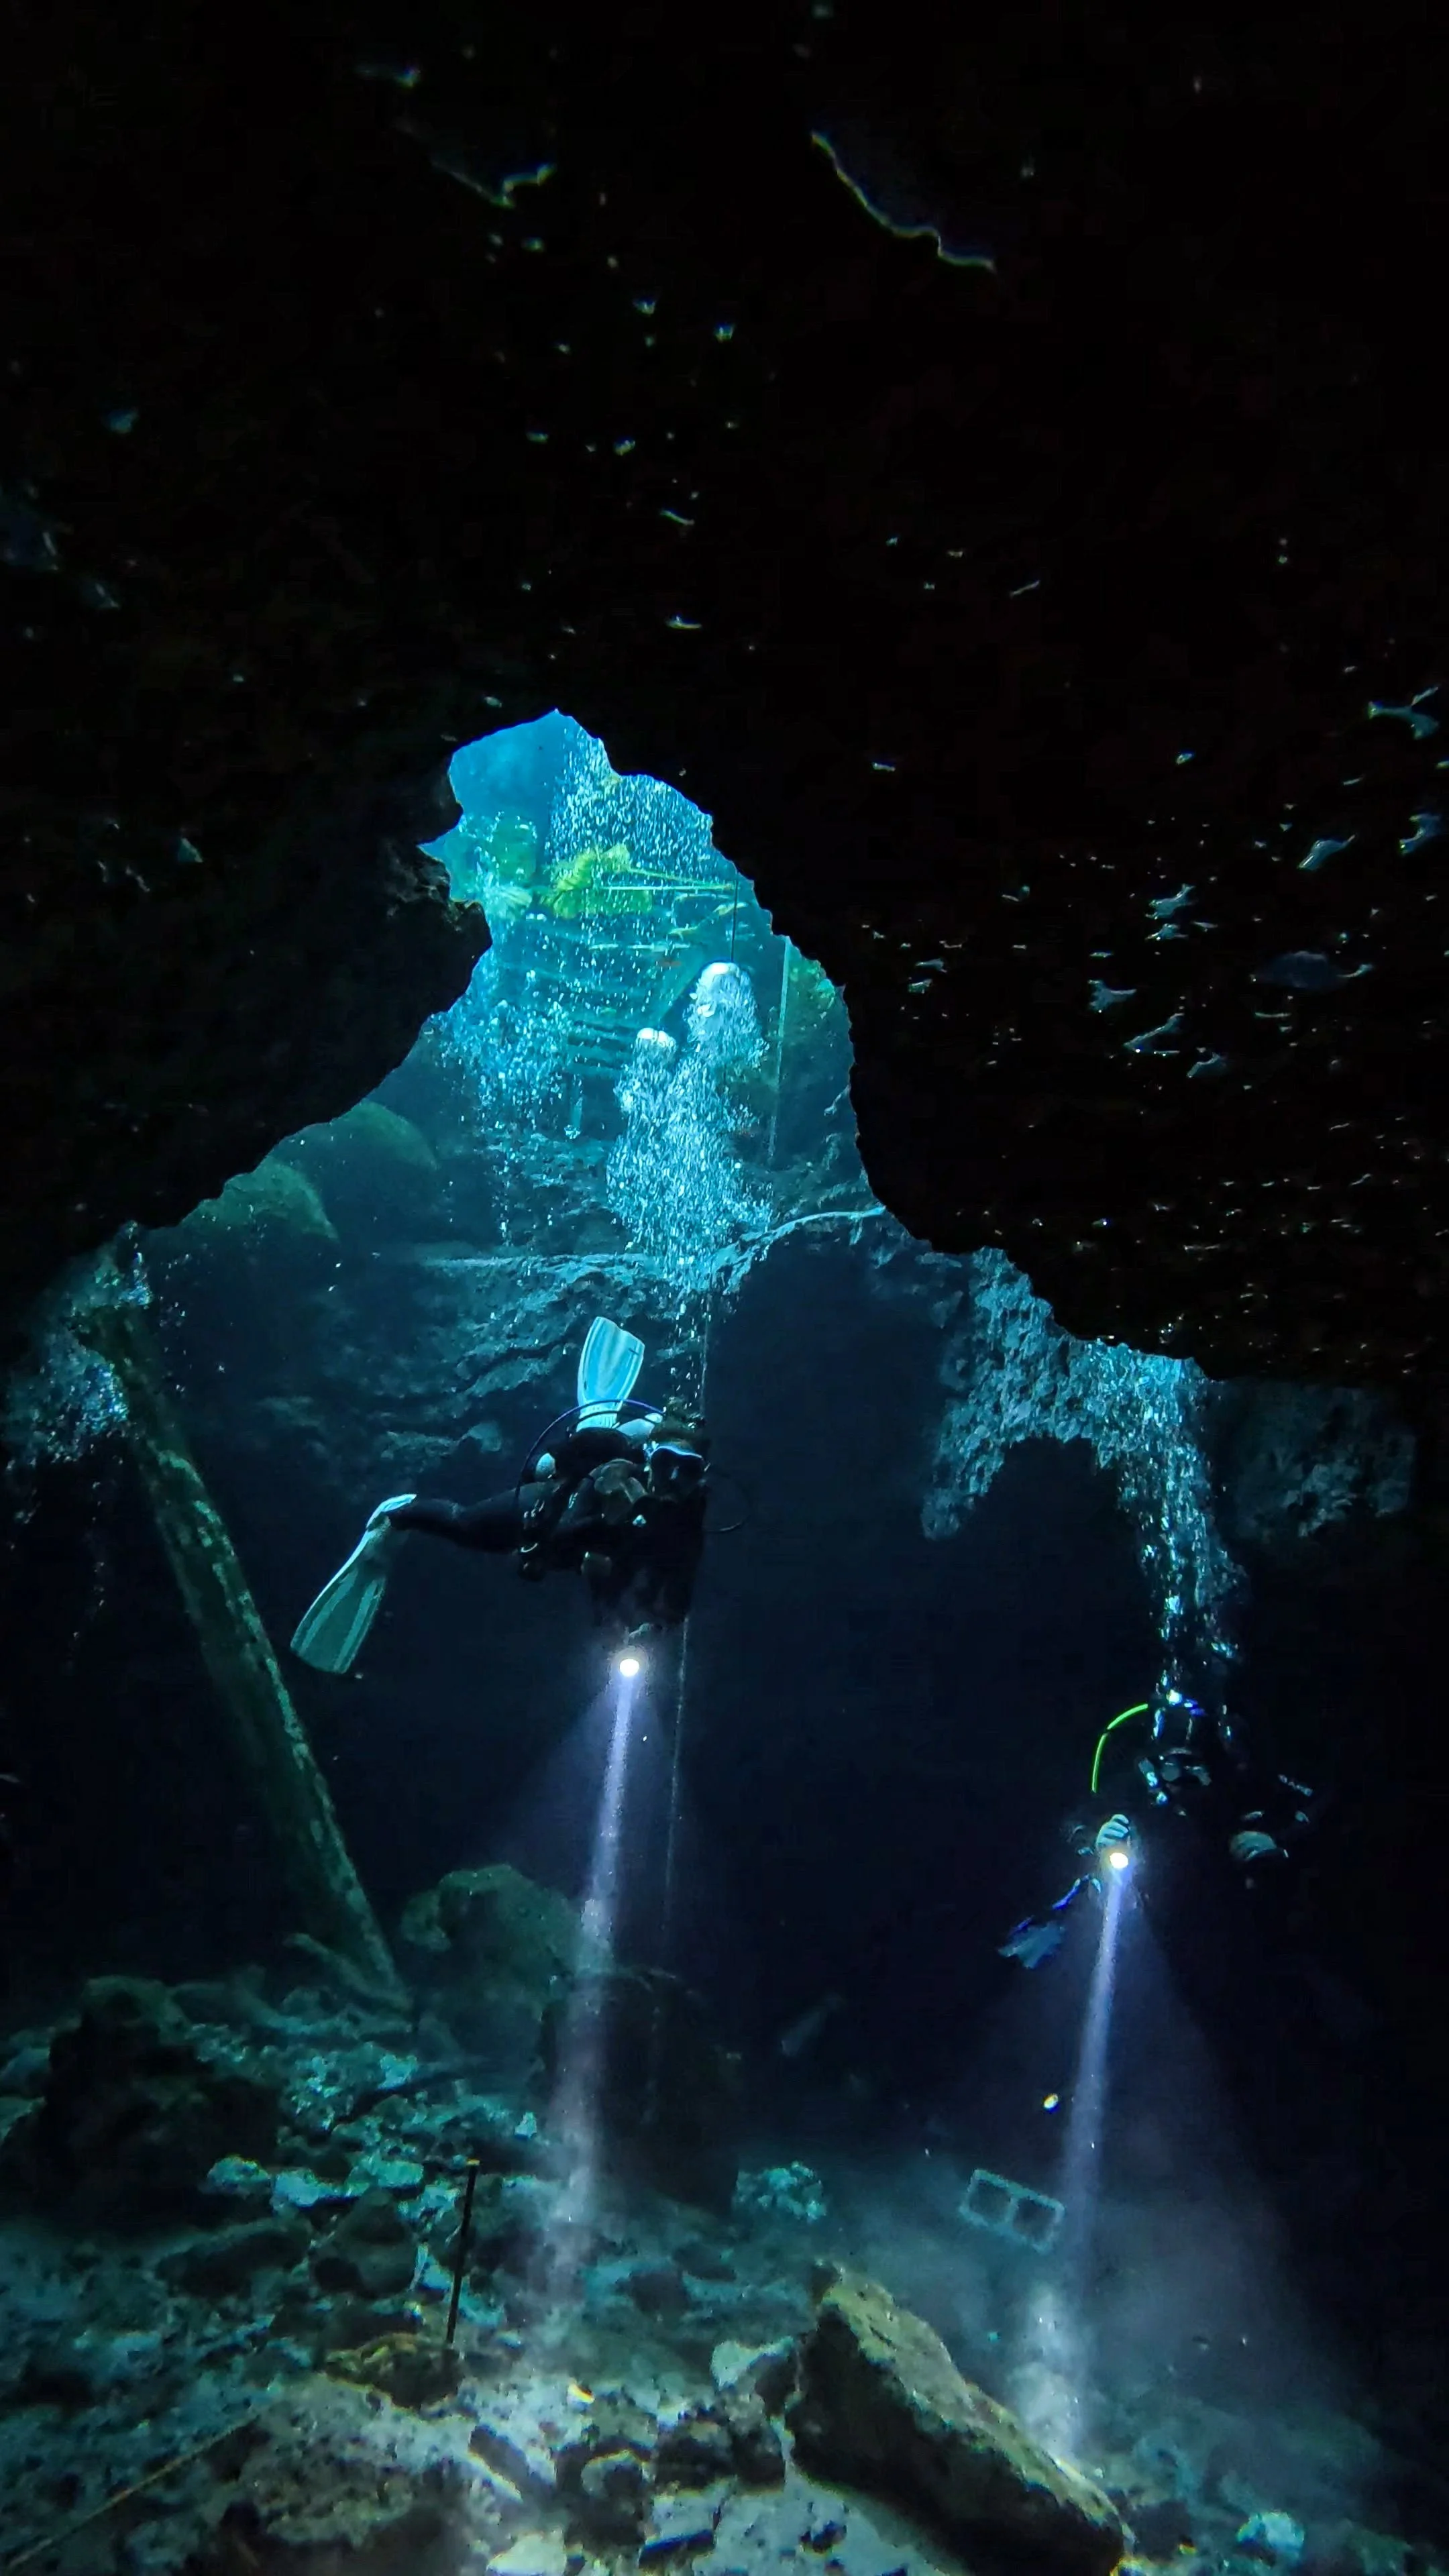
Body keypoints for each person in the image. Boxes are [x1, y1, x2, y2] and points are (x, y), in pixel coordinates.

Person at [290, 1316, 710, 1674]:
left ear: (700, 1479)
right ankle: (397, 1515)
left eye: (687, 1472)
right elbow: (564, 1535)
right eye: (665, 1464)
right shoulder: (617, 1474)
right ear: (650, 1457)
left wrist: (647, 1628)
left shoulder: (687, 1522)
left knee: (607, 1570)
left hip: (588, 1547)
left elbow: (677, 1593)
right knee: (464, 1525)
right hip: (553, 1507)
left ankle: (596, 1425)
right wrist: (610, 1527)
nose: (673, 1480)